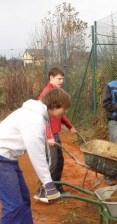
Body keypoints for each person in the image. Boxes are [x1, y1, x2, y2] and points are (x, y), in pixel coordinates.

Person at [0, 88, 71, 224]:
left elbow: (42, 147)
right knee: (13, 204)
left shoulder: (40, 115)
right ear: (54, 106)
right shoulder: (34, 121)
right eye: (64, 108)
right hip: (0, 158)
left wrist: (48, 183)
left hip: (8, 158)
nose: (65, 112)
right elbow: (37, 154)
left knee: (23, 199)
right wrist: (49, 185)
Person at [33, 67, 76, 201]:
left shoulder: (56, 92)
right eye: (59, 78)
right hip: (48, 135)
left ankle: (57, 188)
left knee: (59, 161)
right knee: (51, 162)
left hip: (55, 133)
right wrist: (49, 136)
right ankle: (41, 191)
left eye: (63, 78)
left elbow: (60, 113)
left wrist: (69, 126)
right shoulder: (46, 94)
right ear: (51, 78)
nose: (61, 81)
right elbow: (43, 118)